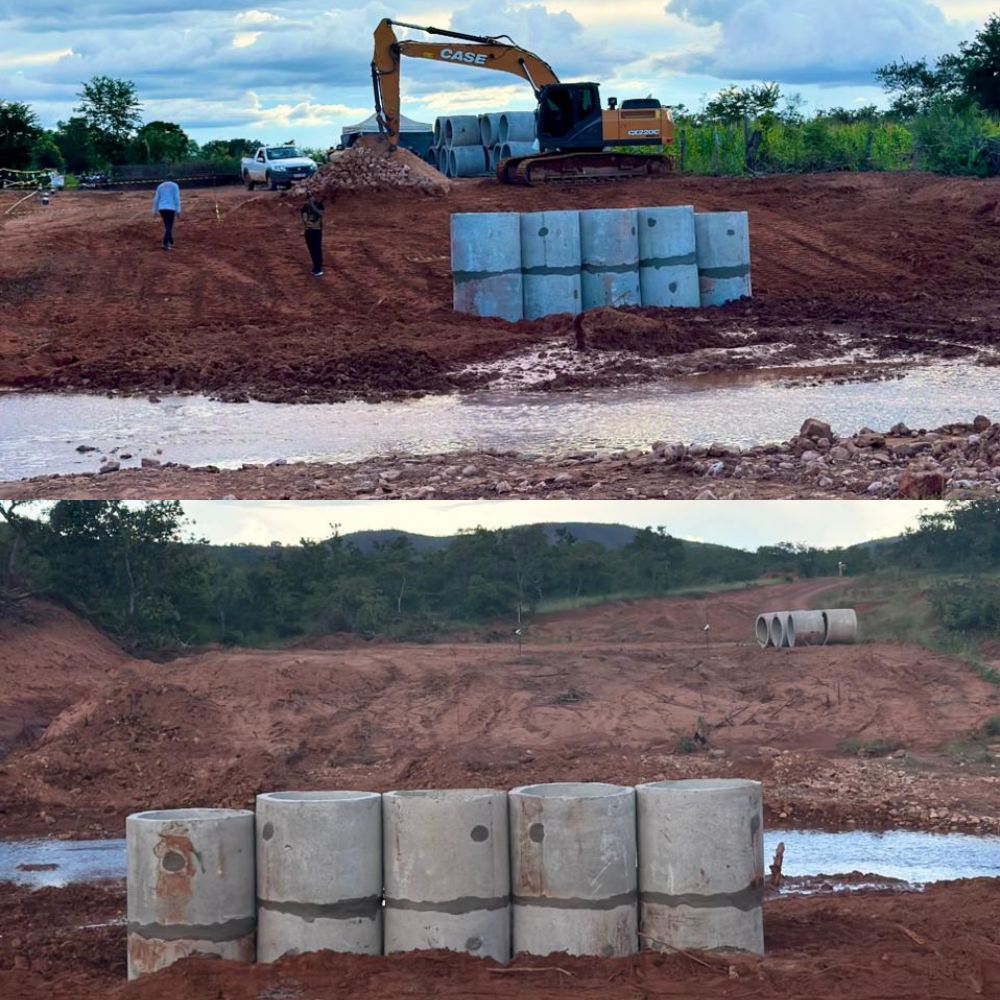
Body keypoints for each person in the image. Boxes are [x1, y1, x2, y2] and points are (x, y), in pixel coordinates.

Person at [152, 175, 181, 250]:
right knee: (169, 226)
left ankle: (170, 239)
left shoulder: (160, 186)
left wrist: (154, 211)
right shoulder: (175, 186)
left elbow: (156, 199)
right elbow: (177, 198)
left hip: (162, 208)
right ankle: (165, 243)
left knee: (167, 225)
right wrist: (178, 210)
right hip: (171, 208)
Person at [300, 195, 325, 276]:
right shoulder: (305, 207)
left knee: (316, 249)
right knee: (311, 250)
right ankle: (315, 266)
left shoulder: (319, 205)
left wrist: (312, 205)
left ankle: (319, 267)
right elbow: (304, 219)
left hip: (316, 231)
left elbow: (320, 213)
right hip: (308, 230)